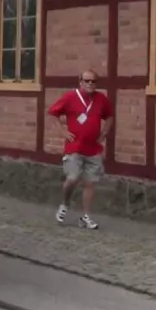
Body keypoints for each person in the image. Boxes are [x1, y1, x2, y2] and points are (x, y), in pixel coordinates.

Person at [47, 69, 114, 230]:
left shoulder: (101, 99)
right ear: (80, 82)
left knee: (90, 183)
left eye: (93, 81)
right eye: (87, 81)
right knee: (73, 178)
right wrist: (62, 131)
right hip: (74, 147)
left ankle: (86, 217)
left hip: (93, 149)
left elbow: (109, 116)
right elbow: (52, 113)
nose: (90, 84)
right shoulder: (70, 97)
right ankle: (65, 204)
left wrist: (104, 133)